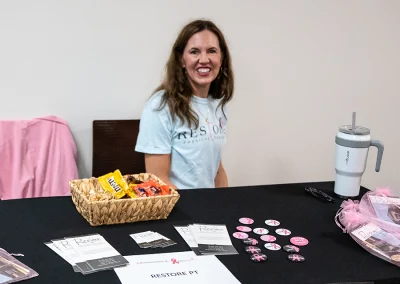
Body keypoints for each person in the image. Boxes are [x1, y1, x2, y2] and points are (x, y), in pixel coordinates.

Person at [135, 19, 234, 189]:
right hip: (179, 209)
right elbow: (159, 181)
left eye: (212, 51)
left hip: (210, 206)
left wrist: (224, 204)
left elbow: (217, 169)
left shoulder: (218, 104)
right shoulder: (160, 106)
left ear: (222, 58)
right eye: (194, 51)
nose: (204, 59)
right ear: (181, 59)